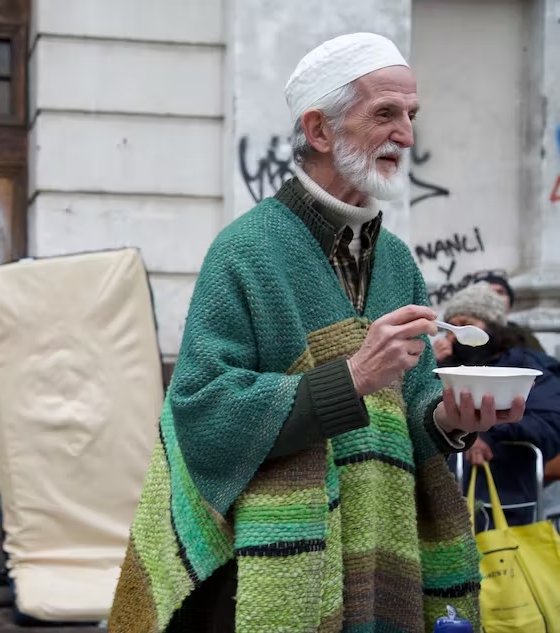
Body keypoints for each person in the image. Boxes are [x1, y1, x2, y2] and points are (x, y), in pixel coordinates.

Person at [108, 33, 525, 633]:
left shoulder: (400, 263)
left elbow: (408, 414)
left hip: (380, 552)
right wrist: (354, 375)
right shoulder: (245, 251)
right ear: (320, 130)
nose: (406, 135)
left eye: (411, 115)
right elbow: (201, 411)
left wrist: (454, 417)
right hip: (266, 569)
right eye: (385, 113)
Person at [437, 282, 560, 526]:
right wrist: (433, 365)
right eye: (453, 326)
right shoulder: (443, 366)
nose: (456, 334)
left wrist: (485, 432)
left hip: (505, 502)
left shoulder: (527, 366)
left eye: (466, 325)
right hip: (443, 503)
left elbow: (550, 423)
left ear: (491, 327)